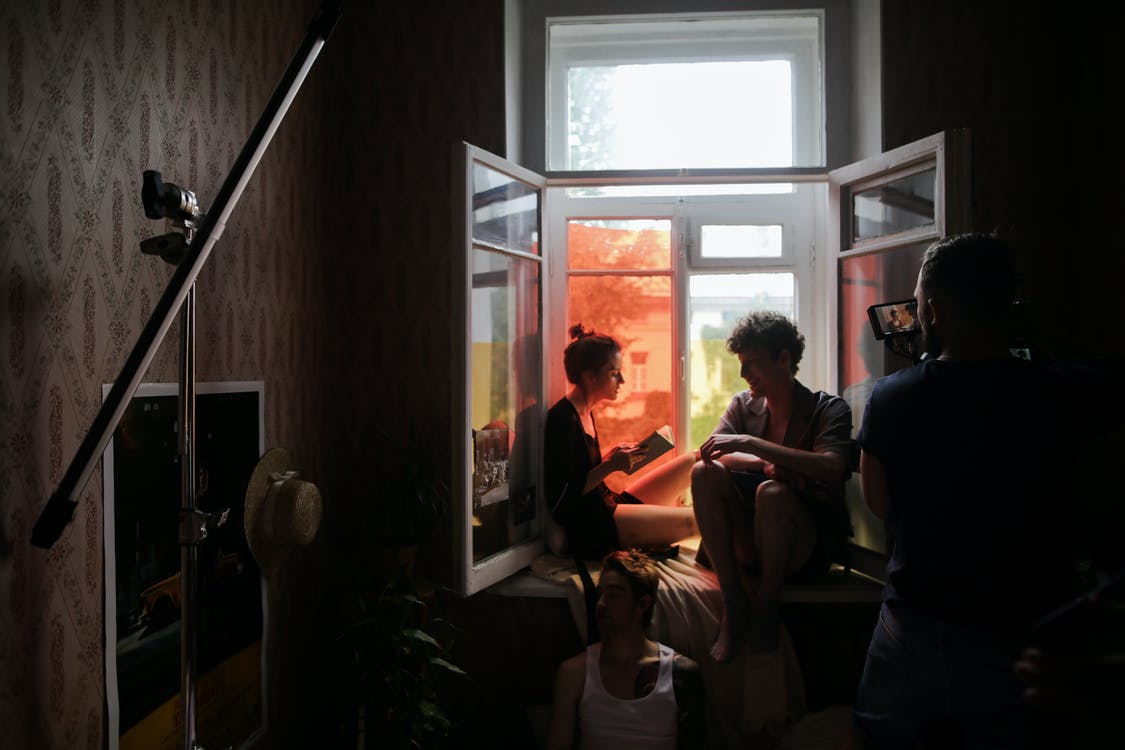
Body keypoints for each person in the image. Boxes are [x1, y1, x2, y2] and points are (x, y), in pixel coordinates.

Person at [851, 232, 1122, 748]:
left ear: (932, 310)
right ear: (1006, 308)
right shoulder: (1057, 391)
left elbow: (881, 505)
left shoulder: (890, 398)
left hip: (913, 628)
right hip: (1021, 635)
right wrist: (1035, 331)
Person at [690, 312, 853, 661]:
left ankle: (766, 605)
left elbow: (833, 466)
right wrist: (765, 463)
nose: (744, 374)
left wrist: (753, 444)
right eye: (741, 364)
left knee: (773, 494)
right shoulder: (742, 405)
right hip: (750, 543)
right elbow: (712, 451)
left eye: (752, 363)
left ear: (784, 358)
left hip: (803, 550)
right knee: (703, 474)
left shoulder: (828, 408)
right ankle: (734, 601)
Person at [544, 324, 698, 561]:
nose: (623, 380)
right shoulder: (562, 420)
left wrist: (610, 457)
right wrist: (610, 466)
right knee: (696, 520)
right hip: (594, 527)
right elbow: (562, 503)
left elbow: (581, 471)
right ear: (589, 376)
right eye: (614, 373)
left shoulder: (585, 411)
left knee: (695, 459)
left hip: (607, 501)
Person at [545, 549, 706, 750]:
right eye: (599, 594)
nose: (601, 604)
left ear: (643, 603)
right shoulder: (575, 673)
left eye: (613, 595)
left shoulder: (680, 672)